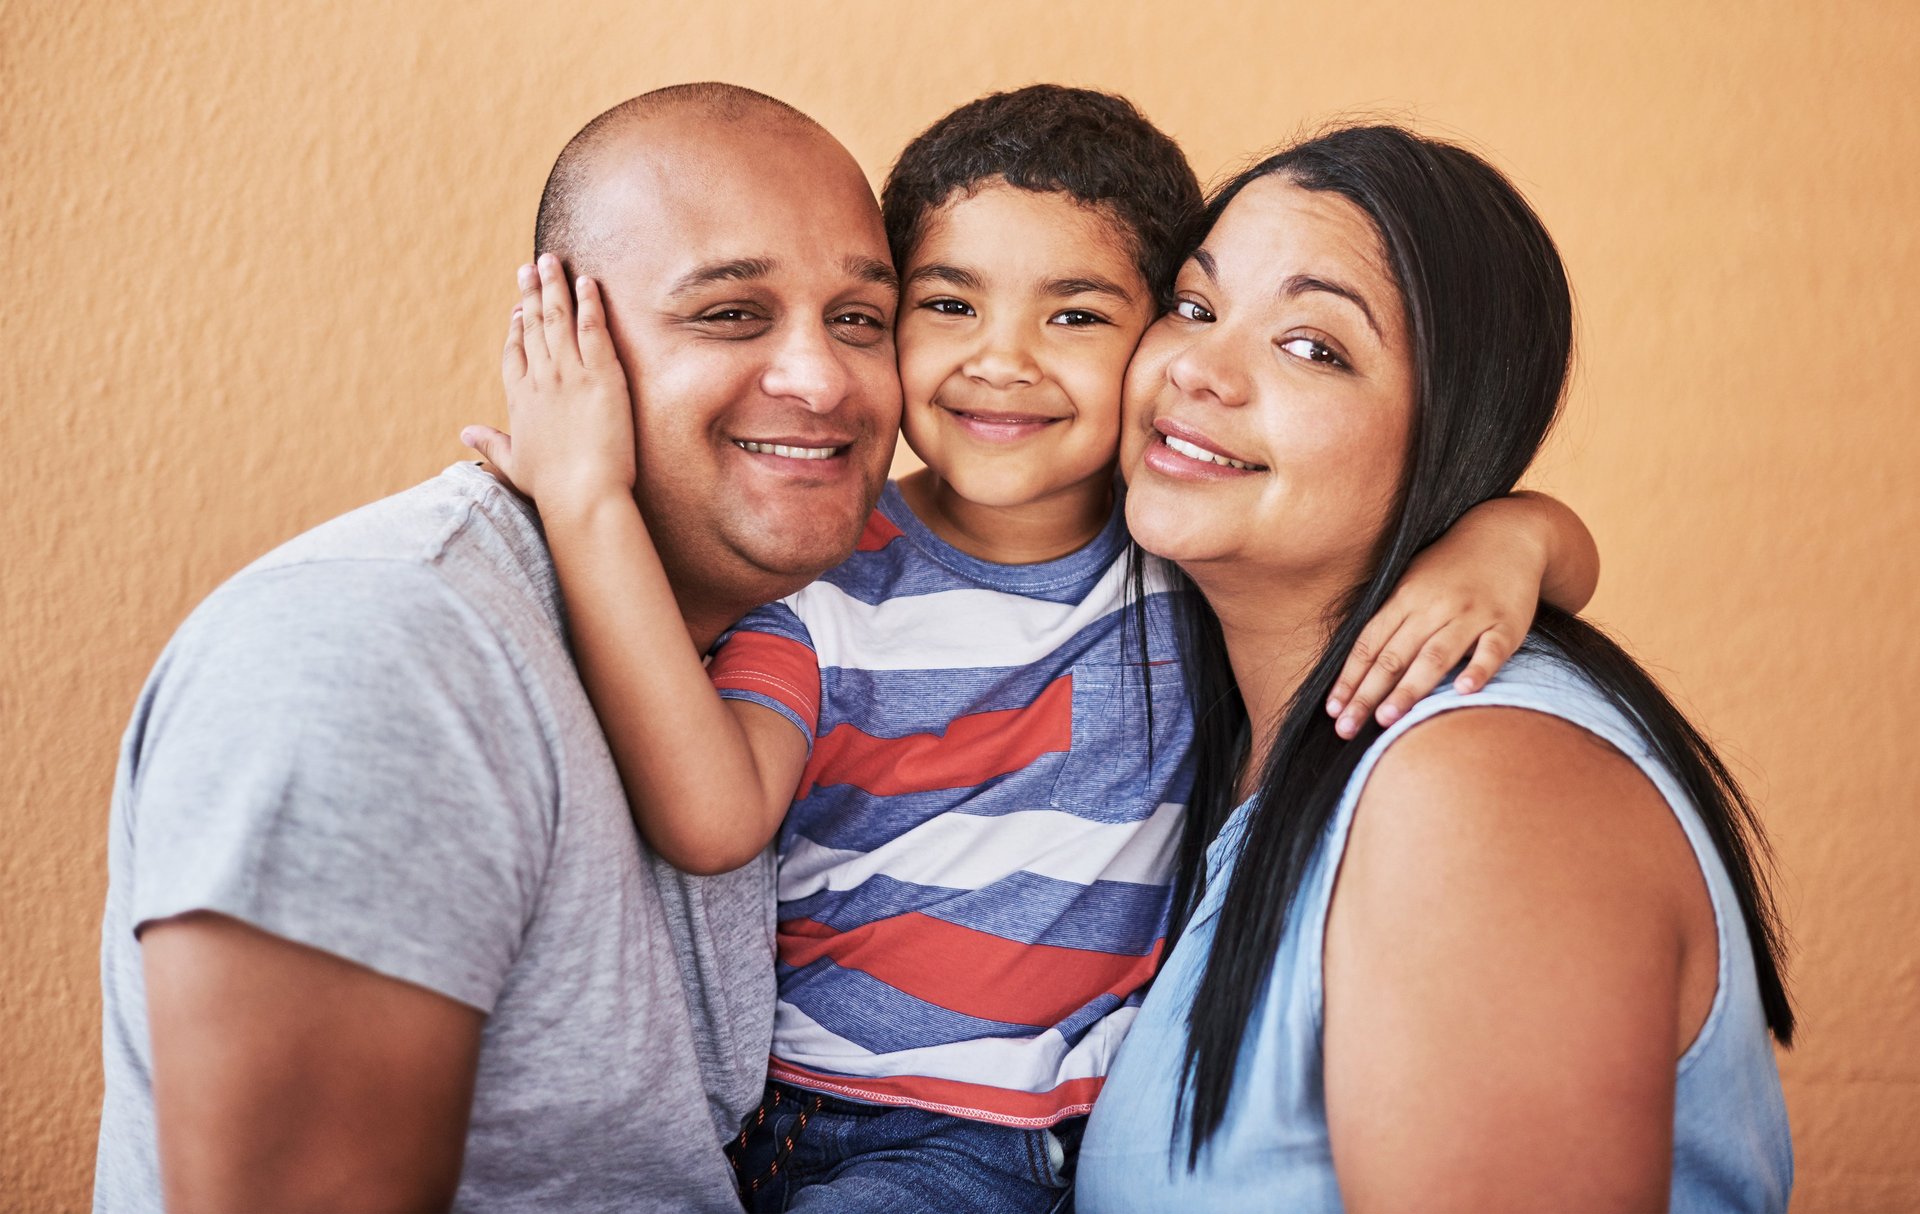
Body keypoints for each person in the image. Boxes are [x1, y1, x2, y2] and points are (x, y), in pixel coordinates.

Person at [466, 88, 1601, 1213]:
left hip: (1065, 1141)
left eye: (1075, 315)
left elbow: (1548, 552)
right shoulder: (829, 586)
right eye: (948, 303)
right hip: (866, 1122)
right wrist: (587, 501)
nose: (1001, 360)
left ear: (1151, 336)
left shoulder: (1180, 552)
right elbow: (711, 816)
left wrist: (1510, 534)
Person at [94, 83, 901, 1213]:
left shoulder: (767, 655)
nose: (820, 379)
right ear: (563, 336)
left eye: (860, 320)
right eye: (729, 313)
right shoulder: (384, 654)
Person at [1074, 124, 1794, 1212]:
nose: (1199, 369)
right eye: (1194, 303)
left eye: (1313, 346)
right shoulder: (1207, 728)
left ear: (1451, 432)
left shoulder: (1472, 788)